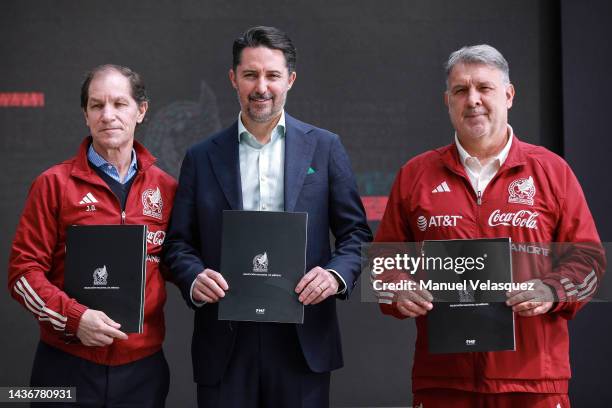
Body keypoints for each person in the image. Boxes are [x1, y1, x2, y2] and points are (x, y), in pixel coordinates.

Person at [374, 44, 605, 407]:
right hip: (444, 382)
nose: (473, 100)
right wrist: (399, 288)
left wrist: (552, 290)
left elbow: (589, 258)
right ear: (447, 100)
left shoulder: (552, 171)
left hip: (533, 383)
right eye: (461, 90)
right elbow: (383, 260)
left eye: (485, 88)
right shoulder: (415, 175)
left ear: (509, 95)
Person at [163, 26, 372, 408]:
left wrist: (334, 275)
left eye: (272, 75)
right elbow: (177, 243)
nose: (262, 87)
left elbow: (356, 234)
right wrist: (194, 277)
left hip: (302, 336)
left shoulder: (324, 148)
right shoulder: (201, 156)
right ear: (233, 79)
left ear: (290, 79)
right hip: (225, 338)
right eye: (250, 75)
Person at [8, 64, 177, 407]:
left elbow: (178, 261)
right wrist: (74, 317)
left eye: (119, 104)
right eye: (97, 106)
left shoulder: (166, 188)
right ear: (85, 114)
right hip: (65, 365)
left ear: (141, 111)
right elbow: (23, 273)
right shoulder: (53, 185)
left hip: (143, 369)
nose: (108, 115)